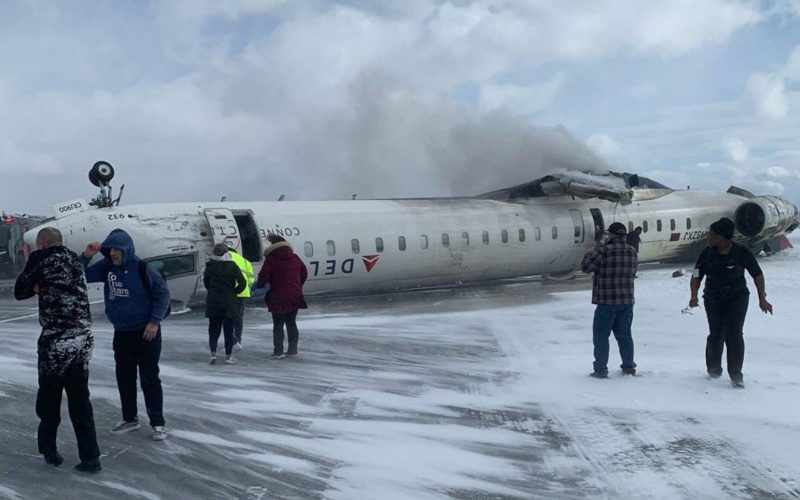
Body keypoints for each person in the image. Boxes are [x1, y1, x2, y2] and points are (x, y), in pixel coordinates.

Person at [14, 227, 101, 472]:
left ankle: (49, 450)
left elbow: (20, 291)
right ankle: (91, 457)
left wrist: (28, 261)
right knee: (80, 399)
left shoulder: (40, 258)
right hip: (83, 338)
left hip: (57, 340)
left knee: (49, 398)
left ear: (41, 244)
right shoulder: (74, 259)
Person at [81, 229, 170, 440]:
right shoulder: (107, 267)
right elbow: (81, 275)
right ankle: (130, 418)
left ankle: (157, 423)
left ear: (126, 250)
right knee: (124, 376)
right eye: (109, 249)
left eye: (116, 250)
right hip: (122, 332)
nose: (112, 253)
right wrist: (86, 256)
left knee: (149, 377)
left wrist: (154, 321)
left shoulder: (142, 267)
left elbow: (163, 294)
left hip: (146, 332)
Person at [688, 217, 772, 388]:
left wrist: (762, 298)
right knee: (716, 334)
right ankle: (713, 371)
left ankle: (736, 375)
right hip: (713, 298)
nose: (709, 237)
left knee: (734, 334)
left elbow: (757, 275)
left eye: (713, 235)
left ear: (723, 238)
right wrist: (693, 295)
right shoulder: (707, 253)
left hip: (737, 298)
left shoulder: (742, 252)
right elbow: (697, 275)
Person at [581, 222, 639, 378]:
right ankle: (628, 367)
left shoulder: (603, 251)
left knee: (601, 337)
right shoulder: (632, 251)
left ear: (612, 235)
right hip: (627, 301)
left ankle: (600, 369)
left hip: (607, 302)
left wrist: (589, 254)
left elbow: (586, 268)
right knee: (625, 336)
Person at [255, 234, 308, 358]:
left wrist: (260, 286)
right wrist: (297, 286)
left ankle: (278, 352)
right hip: (294, 295)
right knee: (291, 322)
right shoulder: (295, 258)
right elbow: (304, 273)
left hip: (277, 296)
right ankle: (292, 349)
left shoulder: (271, 259)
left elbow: (263, 275)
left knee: (278, 324)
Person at [204, 243, 247, 364]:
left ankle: (213, 354)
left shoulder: (210, 266)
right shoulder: (232, 266)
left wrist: (213, 291)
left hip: (213, 301)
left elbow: (206, 282)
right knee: (228, 330)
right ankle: (228, 356)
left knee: (213, 329)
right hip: (229, 301)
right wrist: (235, 291)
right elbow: (242, 282)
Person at [227, 244, 254, 352]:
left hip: (229, 293)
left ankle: (231, 341)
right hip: (243, 293)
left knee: (227, 318)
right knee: (238, 318)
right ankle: (238, 340)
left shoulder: (225, 259)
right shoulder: (245, 261)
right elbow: (251, 279)